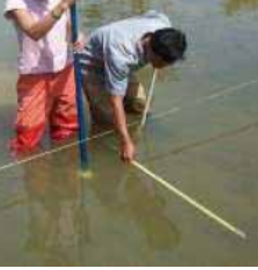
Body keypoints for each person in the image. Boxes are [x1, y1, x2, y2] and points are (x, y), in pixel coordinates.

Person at [79, 10, 187, 162]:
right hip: (93, 66)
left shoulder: (162, 25)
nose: (163, 67)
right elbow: (115, 100)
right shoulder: (122, 55)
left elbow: (154, 13)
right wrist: (126, 141)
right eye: (162, 63)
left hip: (123, 65)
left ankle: (130, 130)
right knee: (106, 121)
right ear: (152, 52)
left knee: (141, 107)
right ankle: (100, 148)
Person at [4, 0, 83, 154]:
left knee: (67, 122)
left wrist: (77, 35)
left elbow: (67, 24)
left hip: (65, 66)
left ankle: (64, 166)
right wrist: (63, 5)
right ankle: (31, 173)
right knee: (28, 132)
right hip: (35, 72)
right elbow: (34, 32)